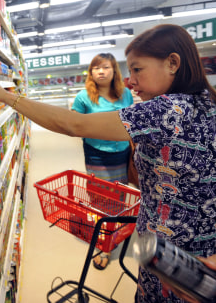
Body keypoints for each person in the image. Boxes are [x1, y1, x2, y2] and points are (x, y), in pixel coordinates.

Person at [0, 24, 216, 303]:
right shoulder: (213, 104)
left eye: (137, 69)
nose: (131, 81)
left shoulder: (168, 109)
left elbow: (73, 124)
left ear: (172, 63)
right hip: (211, 258)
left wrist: (4, 94)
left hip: (174, 266)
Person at [71, 53, 133, 270]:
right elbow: (74, 123)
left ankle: (110, 234)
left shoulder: (126, 94)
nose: (101, 71)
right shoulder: (83, 97)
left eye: (105, 67)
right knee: (100, 198)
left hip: (122, 153)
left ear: (114, 70)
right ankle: (105, 244)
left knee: (119, 196)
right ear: (91, 73)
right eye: (96, 68)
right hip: (96, 153)